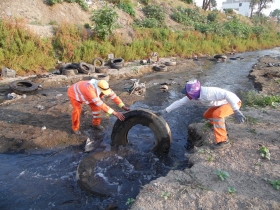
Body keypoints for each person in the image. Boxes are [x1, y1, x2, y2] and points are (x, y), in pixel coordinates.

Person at [156, 79, 246, 150]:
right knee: (206, 115)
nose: (186, 95)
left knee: (216, 114)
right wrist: (165, 111)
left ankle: (223, 142)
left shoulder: (208, 92)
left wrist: (236, 110)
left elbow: (228, 95)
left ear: (193, 92)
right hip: (220, 104)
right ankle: (220, 125)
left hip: (233, 103)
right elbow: (179, 102)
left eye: (187, 93)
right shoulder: (192, 95)